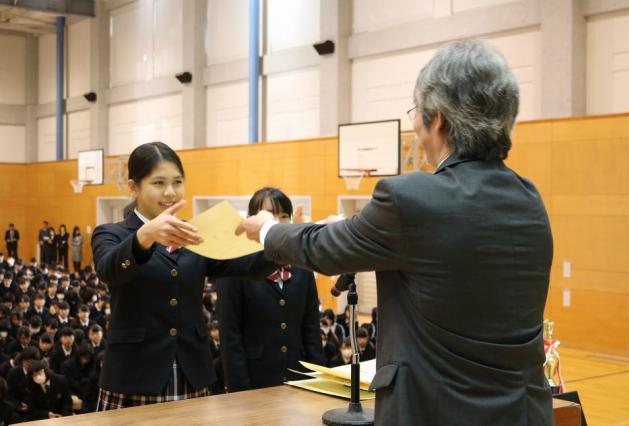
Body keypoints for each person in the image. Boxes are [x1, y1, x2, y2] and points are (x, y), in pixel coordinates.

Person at [239, 40, 553, 425]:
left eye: (416, 113)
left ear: (438, 119)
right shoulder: (529, 200)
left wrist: (268, 229)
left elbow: (321, 249)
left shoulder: (411, 199)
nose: (415, 126)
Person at [91, 141, 278, 411]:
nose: (170, 192)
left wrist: (277, 234)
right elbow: (108, 270)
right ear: (134, 187)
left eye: (177, 182)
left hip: (193, 370)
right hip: (133, 375)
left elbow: (252, 266)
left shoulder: (195, 233)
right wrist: (145, 236)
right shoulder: (112, 233)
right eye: (158, 183)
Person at [217, 188, 323, 392]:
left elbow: (311, 329)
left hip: (298, 377)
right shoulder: (234, 266)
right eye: (270, 216)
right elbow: (230, 336)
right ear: (250, 220)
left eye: (284, 217)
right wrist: (240, 391)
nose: (277, 223)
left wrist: (318, 380)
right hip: (255, 379)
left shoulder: (302, 266)